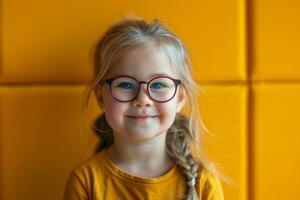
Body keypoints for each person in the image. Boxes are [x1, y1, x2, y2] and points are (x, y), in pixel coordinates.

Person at [63, 16, 226, 200]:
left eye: (158, 85)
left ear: (180, 97)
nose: (142, 99)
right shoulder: (86, 181)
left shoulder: (203, 182)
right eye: (125, 85)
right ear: (101, 97)